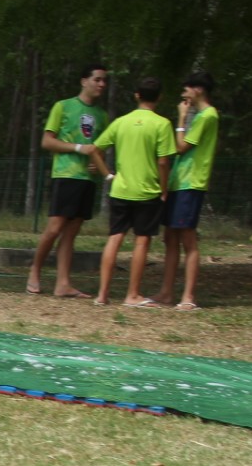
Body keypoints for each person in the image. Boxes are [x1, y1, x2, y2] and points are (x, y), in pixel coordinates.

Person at [26, 65, 112, 298]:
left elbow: (99, 147)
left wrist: (97, 162)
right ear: (84, 81)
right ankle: (35, 269)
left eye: (104, 81)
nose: (102, 84)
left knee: (71, 232)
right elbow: (47, 141)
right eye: (97, 79)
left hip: (87, 179)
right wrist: (78, 148)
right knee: (55, 228)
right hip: (65, 175)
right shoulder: (63, 106)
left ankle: (63, 284)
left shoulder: (103, 116)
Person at [93, 77, 175, 308]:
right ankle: (132, 294)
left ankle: (102, 294)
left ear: (137, 95)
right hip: (147, 191)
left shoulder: (121, 122)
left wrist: (108, 175)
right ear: (159, 97)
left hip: (120, 189)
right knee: (142, 241)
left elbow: (95, 150)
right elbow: (163, 162)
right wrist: (164, 189)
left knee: (115, 238)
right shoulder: (162, 124)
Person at [155, 71, 218, 312]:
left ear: (199, 89)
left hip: (191, 183)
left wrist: (181, 118)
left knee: (187, 238)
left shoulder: (208, 115)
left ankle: (188, 296)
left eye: (187, 90)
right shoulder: (199, 116)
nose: (184, 95)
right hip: (178, 181)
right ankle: (166, 292)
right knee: (170, 237)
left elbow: (181, 147)